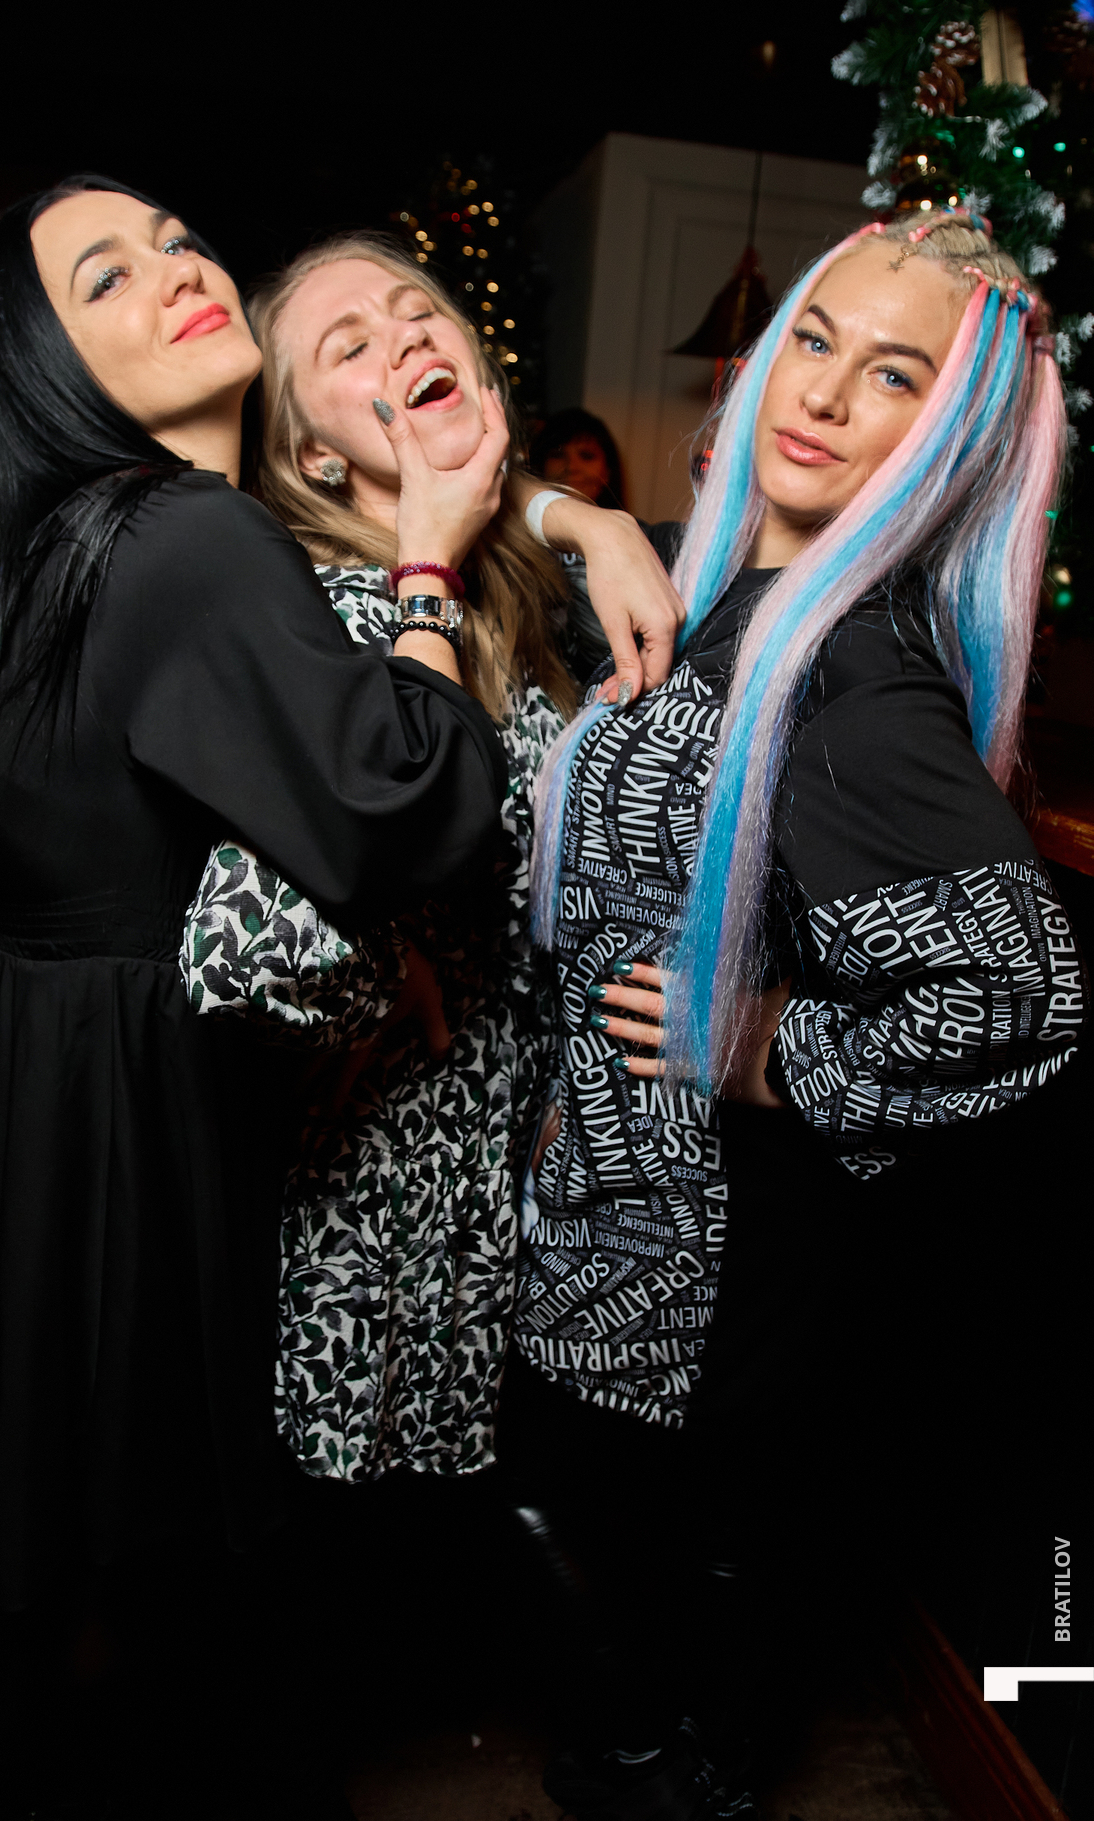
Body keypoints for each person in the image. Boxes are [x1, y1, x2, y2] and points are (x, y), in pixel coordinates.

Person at [0, 175, 518, 1821]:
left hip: (28, 1074)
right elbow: (404, 808)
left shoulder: (80, 546)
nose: (175, 268)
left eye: (173, 239)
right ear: (48, 367)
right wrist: (429, 565)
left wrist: (557, 517)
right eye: (106, 276)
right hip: (125, 1094)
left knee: (109, 1548)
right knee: (186, 1552)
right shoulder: (188, 538)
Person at [509, 213, 1083, 1820]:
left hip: (712, 1250)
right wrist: (579, 516)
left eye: (894, 374)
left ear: (952, 435)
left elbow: (1022, 994)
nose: (821, 392)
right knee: (628, 1575)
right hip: (615, 1203)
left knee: (650, 1598)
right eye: (814, 339)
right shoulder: (722, 593)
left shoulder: (852, 675)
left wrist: (763, 1050)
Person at [182, 232, 683, 1486]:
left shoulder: (504, 585)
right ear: (313, 454)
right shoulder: (346, 621)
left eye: (416, 310)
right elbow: (243, 957)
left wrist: (582, 515)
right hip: (378, 1183)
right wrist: (380, 953)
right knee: (352, 1548)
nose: (403, 334)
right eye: (348, 345)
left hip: (490, 1157)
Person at [530, 405, 628, 509]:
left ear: (608, 472)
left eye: (586, 456)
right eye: (558, 455)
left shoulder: (629, 521)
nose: (571, 467)